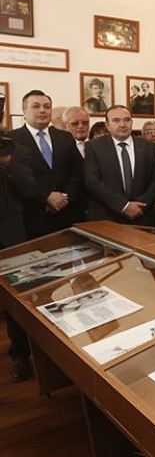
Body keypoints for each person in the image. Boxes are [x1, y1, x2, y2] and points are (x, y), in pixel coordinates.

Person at [6, 90, 85, 238]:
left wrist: (64, 198)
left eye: (47, 107)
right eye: (36, 106)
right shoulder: (12, 139)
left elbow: (78, 171)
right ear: (24, 111)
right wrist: (46, 197)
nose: (42, 110)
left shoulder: (65, 137)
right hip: (31, 216)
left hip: (67, 214)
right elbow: (17, 177)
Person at [83, 105, 155, 225]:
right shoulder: (93, 147)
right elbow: (92, 181)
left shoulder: (149, 147)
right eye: (116, 120)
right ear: (107, 125)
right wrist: (124, 206)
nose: (123, 125)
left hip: (142, 216)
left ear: (132, 122)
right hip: (107, 218)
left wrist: (140, 205)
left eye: (127, 120)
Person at [0, 133, 37, 381]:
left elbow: (30, 188)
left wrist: (7, 163)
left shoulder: (15, 150)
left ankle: (20, 355)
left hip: (9, 237)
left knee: (13, 304)